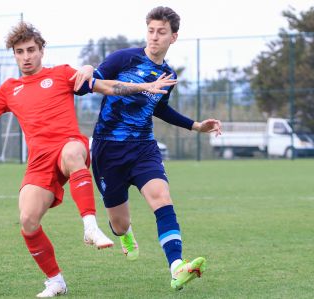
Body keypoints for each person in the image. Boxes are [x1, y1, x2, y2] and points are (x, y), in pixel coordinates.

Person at [0, 22, 177, 297]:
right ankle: (56, 280)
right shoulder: (10, 89)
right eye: (20, 52)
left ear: (41, 50)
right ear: (15, 55)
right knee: (28, 220)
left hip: (70, 146)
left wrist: (145, 86)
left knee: (71, 153)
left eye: (31, 50)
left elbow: (105, 86)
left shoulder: (61, 74)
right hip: (39, 161)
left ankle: (90, 227)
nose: (26, 56)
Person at [86, 6, 222, 291]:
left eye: (162, 32)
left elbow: (159, 108)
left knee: (161, 196)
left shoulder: (168, 74)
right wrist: (91, 71)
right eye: (151, 30)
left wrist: (196, 126)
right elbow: (89, 85)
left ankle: (176, 267)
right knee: (120, 224)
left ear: (174, 37)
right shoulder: (124, 58)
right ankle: (125, 234)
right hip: (108, 149)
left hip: (143, 147)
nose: (154, 37)